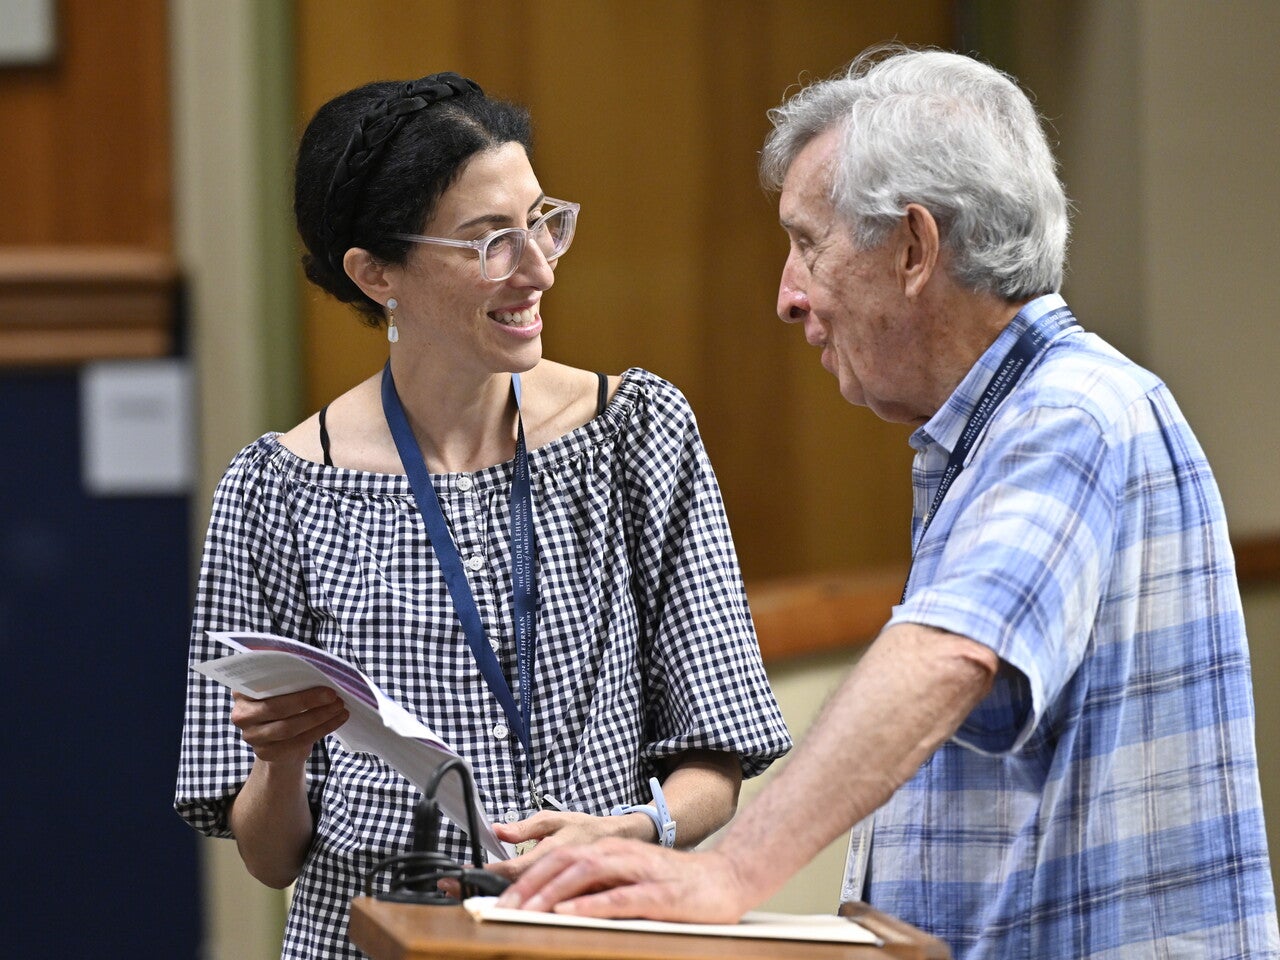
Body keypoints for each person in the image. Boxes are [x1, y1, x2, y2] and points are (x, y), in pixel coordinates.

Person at [498, 46, 1280, 959]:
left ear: (914, 248)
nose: (787, 298)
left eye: (806, 242)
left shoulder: (1071, 416)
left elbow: (947, 654)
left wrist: (727, 872)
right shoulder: (1008, 427)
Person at [174, 71, 791, 960]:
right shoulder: (276, 490)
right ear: (375, 272)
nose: (538, 267)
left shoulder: (638, 435)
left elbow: (714, 764)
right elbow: (272, 861)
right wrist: (278, 761)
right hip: (377, 937)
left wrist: (635, 828)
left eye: (543, 221)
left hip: (596, 930)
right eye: (489, 241)